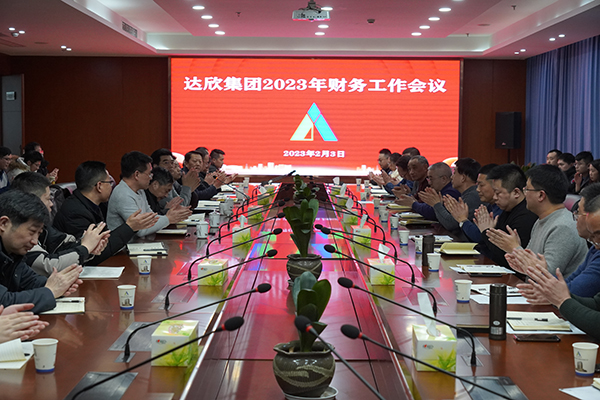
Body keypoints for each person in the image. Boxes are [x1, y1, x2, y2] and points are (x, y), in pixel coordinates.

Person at [487, 164, 588, 277]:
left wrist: (515, 248)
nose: (524, 194)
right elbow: (529, 267)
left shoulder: (563, 227)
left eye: (527, 189)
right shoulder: (542, 220)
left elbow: (546, 275)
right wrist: (516, 250)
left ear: (541, 195)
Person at [11, 172, 110, 277]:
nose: (51, 204)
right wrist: (85, 248)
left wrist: (88, 245)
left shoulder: (43, 227)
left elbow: (63, 244)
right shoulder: (20, 232)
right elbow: (49, 266)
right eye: (48, 199)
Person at [53, 161, 158, 260]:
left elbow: (105, 240)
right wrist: (129, 227)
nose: (111, 187)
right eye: (110, 183)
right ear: (99, 186)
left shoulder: (94, 204)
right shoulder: (75, 212)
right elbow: (94, 253)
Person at [0, 190, 83, 314]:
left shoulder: (13, 253)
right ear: (4, 223)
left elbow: (32, 282)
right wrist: (51, 291)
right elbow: (4, 302)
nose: (35, 241)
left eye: (39, 234)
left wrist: (59, 284)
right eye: (32, 232)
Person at [512, 184, 600, 297]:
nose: (575, 216)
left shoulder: (564, 227)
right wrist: (533, 268)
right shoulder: (594, 248)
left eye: (578, 212)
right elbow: (565, 286)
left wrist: (538, 270)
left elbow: (572, 291)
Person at [107, 151, 191, 238]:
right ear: (137, 175)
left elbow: (152, 217)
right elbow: (140, 229)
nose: (151, 178)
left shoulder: (140, 190)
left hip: (140, 242)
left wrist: (172, 216)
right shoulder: (123, 194)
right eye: (149, 174)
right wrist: (168, 218)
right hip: (126, 246)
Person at [474, 164, 538, 268]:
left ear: (516, 193)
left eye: (498, 193)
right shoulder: (508, 209)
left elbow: (503, 257)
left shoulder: (525, 217)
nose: (494, 197)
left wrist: (486, 231)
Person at [445, 163, 499, 242]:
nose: (477, 189)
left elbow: (479, 237)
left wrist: (462, 220)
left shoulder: (500, 210)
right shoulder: (490, 206)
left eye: (481, 185)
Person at [395, 162, 460, 221]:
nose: (429, 183)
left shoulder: (451, 192)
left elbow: (432, 212)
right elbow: (427, 206)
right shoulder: (439, 190)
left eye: (431, 179)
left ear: (443, 179)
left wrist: (413, 204)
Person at [431, 158, 482, 232]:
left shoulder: (472, 196)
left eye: (454, 173)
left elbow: (450, 224)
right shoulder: (468, 194)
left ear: (463, 178)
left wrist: (436, 204)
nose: (451, 177)